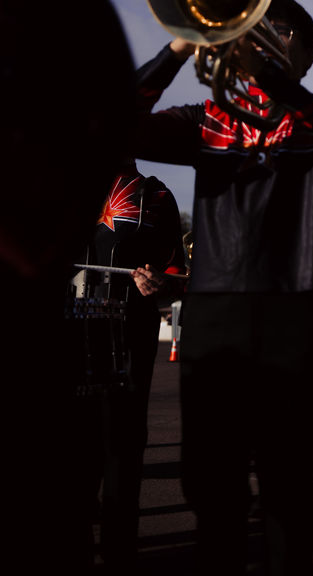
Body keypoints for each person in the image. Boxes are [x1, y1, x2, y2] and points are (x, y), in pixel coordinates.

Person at [132, 1, 313, 573]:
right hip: (215, 313)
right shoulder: (205, 120)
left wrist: (266, 71)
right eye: (261, 30)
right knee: (211, 484)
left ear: (305, 56)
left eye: (280, 33)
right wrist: (180, 46)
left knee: (288, 483)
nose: (265, 39)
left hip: (294, 310)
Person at [2, 1, 136, 569]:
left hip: (47, 308)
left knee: (54, 482)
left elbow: (115, 111)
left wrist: (42, 243)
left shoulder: (76, 14)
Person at [66, 164, 186, 573]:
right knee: (71, 448)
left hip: (128, 333)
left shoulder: (157, 197)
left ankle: (121, 554)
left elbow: (177, 271)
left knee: (123, 445)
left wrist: (159, 282)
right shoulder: (57, 183)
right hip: (69, 334)